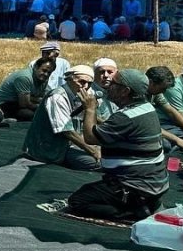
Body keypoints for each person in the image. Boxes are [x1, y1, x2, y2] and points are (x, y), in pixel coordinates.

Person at [67, 69, 167, 221]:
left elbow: (91, 137)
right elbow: (109, 129)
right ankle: (145, 203)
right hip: (153, 183)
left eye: (114, 83)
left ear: (125, 91)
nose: (108, 86)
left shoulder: (125, 117)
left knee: (78, 201)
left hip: (135, 186)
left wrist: (90, 108)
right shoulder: (146, 108)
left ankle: (132, 213)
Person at [23, 66, 101, 171]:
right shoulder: (57, 97)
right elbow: (67, 131)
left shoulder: (82, 94)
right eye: (82, 82)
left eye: (89, 83)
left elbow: (91, 119)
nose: (86, 86)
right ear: (69, 79)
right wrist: (93, 151)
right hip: (51, 146)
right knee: (95, 162)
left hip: (71, 143)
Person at [0, 57, 56, 121]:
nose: (46, 74)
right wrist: (42, 106)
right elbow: (24, 104)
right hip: (3, 103)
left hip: (18, 102)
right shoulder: (24, 78)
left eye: (49, 72)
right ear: (36, 67)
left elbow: (43, 96)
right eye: (44, 70)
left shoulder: (43, 78)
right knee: (30, 114)